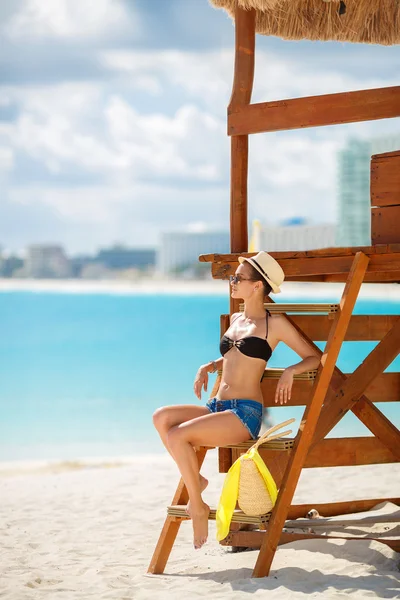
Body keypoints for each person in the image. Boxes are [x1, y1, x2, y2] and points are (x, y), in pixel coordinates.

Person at [152, 251, 320, 550]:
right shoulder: (235, 318)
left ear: (257, 286)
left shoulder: (275, 324)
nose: (232, 282)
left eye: (238, 278)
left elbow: (315, 357)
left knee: (178, 435)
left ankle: (198, 504)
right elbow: (235, 355)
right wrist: (210, 365)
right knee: (161, 417)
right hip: (217, 406)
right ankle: (197, 483)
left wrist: (290, 371)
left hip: (244, 414)